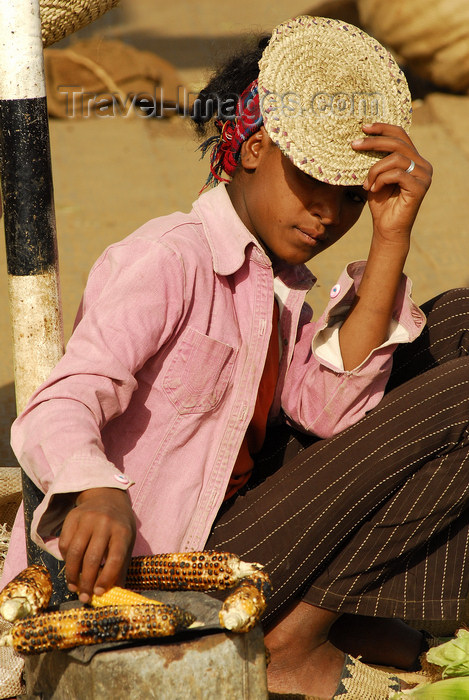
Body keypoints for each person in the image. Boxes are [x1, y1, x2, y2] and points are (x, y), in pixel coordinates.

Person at [3, 15, 467, 699]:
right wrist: (94, 489)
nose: (327, 215)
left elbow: (333, 411)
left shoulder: (279, 290)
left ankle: (332, 614)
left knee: (455, 318)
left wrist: (391, 236)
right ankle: (288, 642)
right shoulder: (168, 259)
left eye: (348, 197)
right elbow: (60, 402)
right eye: (310, 182)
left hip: (244, 533)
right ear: (251, 150)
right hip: (158, 569)